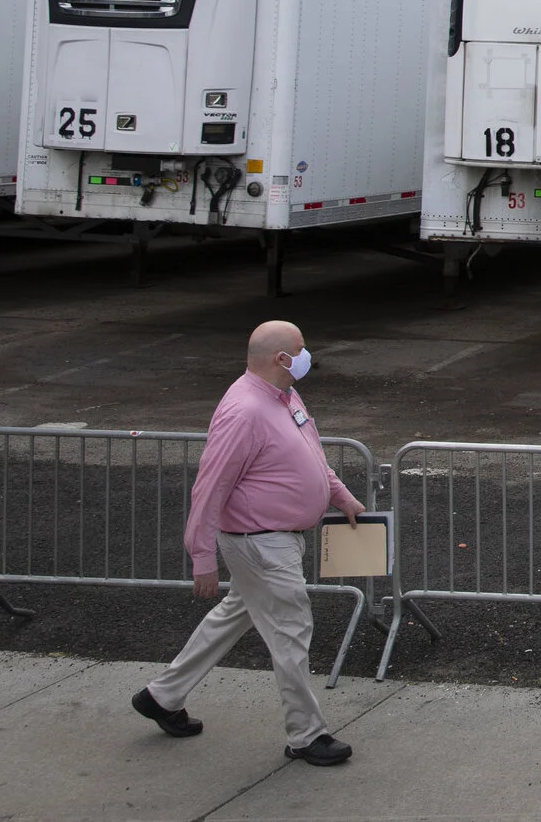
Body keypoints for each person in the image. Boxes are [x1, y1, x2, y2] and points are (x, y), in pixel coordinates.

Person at [131, 319, 366, 766]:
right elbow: (211, 485)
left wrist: (341, 497)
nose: (306, 355)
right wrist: (202, 556)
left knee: (233, 615)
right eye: (301, 349)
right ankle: (306, 735)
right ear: (281, 359)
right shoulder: (244, 411)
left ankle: (162, 696)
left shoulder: (286, 395)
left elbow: (309, 455)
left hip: (269, 542)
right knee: (291, 632)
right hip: (260, 544)